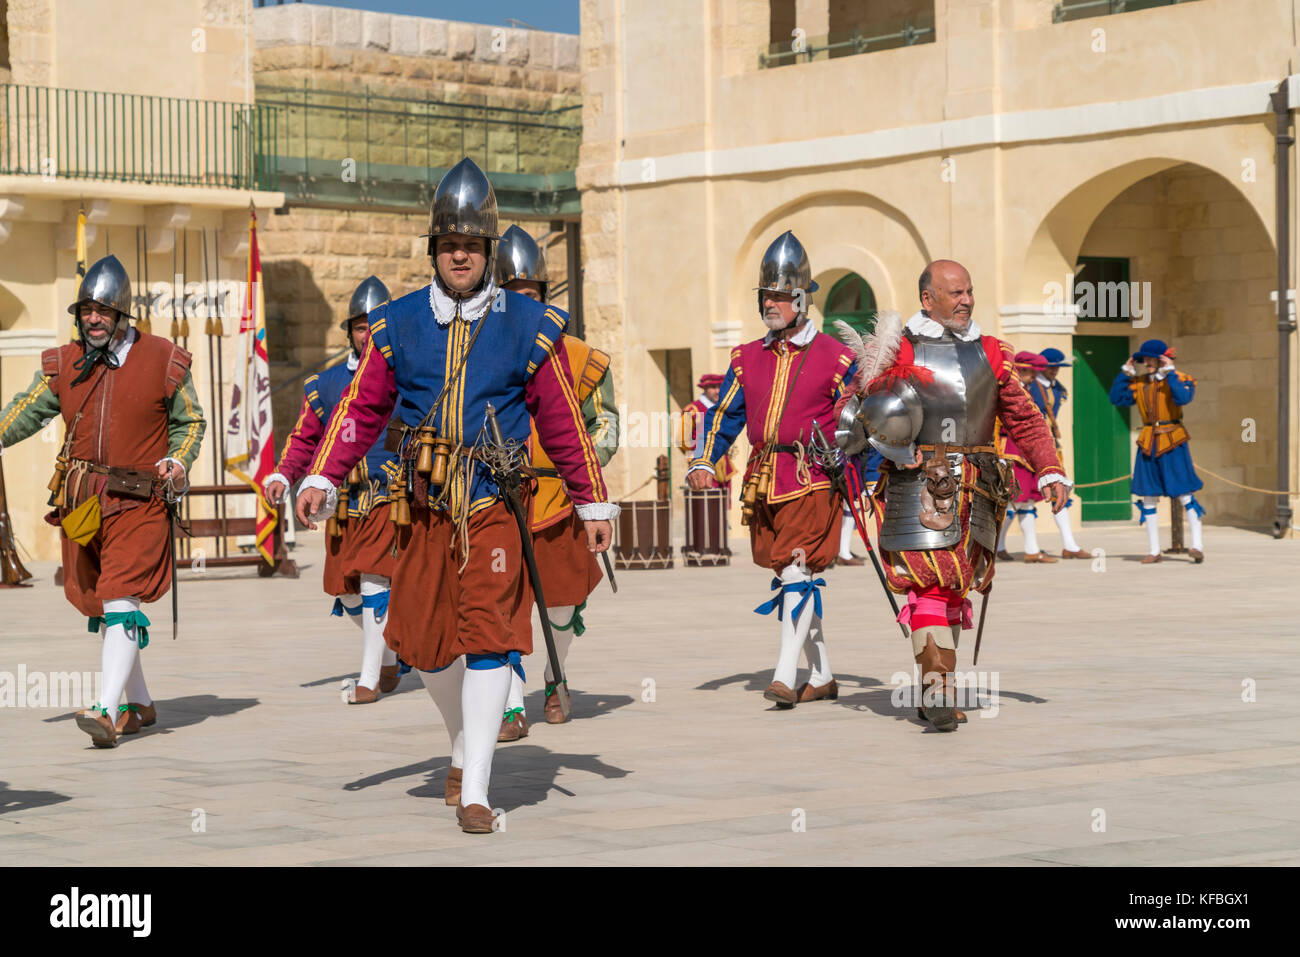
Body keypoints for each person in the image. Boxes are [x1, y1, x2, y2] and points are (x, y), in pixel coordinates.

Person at [294, 158, 617, 834]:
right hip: (423, 506)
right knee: (425, 648)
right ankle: (463, 742)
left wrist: (591, 501)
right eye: (449, 244)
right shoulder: (397, 324)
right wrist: (323, 473)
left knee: (492, 638)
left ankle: (477, 788)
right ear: (435, 250)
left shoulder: (531, 324)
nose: (461, 254)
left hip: (497, 504)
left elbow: (561, 421)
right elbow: (359, 408)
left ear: (489, 250)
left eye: (471, 244)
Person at [837, 260, 1068, 732]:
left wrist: (1049, 469)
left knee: (957, 588)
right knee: (931, 583)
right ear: (928, 299)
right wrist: (884, 447)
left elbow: (1023, 417)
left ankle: (934, 688)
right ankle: (939, 689)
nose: (966, 300)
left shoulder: (992, 351)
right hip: (919, 483)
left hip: (980, 485)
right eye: (956, 293)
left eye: (969, 291)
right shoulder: (897, 348)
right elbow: (859, 416)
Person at [0, 254, 205, 747]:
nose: (93, 318)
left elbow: (191, 423)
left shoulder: (163, 359)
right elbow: (24, 413)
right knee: (103, 601)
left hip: (141, 501)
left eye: (103, 311)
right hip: (84, 504)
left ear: (122, 315)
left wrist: (178, 462)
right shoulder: (65, 363)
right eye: (86, 310)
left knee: (119, 597)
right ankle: (139, 702)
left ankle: (106, 711)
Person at [688, 230, 858, 709]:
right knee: (790, 572)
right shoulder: (746, 357)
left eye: (781, 296)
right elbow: (723, 414)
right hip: (764, 479)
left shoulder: (837, 357)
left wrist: (851, 457)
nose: (771, 304)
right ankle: (821, 675)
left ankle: (785, 674)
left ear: (802, 299)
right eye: (766, 295)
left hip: (814, 477)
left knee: (798, 569)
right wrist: (704, 457)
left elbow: (858, 421)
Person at [491, 225, 620, 740]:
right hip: (498, 497)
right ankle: (507, 704)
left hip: (561, 497)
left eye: (532, 295)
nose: (525, 304)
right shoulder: (483, 352)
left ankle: (555, 674)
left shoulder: (583, 357)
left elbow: (604, 422)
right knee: (502, 600)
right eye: (514, 296)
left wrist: (582, 467)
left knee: (562, 602)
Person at [265, 276, 401, 703]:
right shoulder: (323, 385)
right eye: (362, 326)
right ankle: (391, 654)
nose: (370, 334)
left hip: (391, 498)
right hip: (341, 501)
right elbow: (305, 439)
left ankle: (369, 679)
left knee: (376, 580)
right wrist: (284, 476)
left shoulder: (409, 378)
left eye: (378, 325)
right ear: (350, 332)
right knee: (344, 588)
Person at [1109, 338, 1204, 563]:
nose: (1148, 363)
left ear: (1162, 359)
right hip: (1148, 441)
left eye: (1152, 359)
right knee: (1148, 495)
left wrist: (1169, 372)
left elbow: (1183, 397)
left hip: (1173, 440)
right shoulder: (1140, 382)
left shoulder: (1181, 379)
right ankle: (1154, 550)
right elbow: (1116, 398)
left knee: (1184, 493)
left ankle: (1197, 545)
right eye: (1145, 359)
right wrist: (1125, 372)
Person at [994, 351, 1061, 563]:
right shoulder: (1004, 390)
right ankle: (1005, 547)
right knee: (1016, 502)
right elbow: (996, 424)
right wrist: (998, 454)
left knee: (1025, 502)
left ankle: (1022, 548)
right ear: (1020, 371)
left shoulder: (1028, 390)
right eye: (1031, 372)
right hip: (1009, 452)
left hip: (1025, 452)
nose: (1034, 376)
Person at [679, 374, 737, 491]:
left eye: (720, 387)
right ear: (705, 389)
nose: (717, 391)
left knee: (724, 506)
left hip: (723, 467)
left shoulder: (723, 409)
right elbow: (682, 441)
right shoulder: (692, 410)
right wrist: (694, 461)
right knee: (706, 505)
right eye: (713, 387)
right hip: (702, 466)